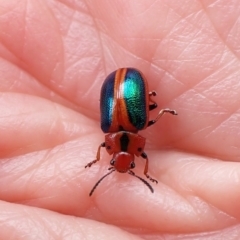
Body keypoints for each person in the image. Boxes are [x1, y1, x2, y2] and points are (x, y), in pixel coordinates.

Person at [0, 1, 239, 239]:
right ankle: (152, 105)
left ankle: (152, 105)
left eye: (113, 161)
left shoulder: (128, 127)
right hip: (128, 84)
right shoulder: (116, 129)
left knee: (154, 111)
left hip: (125, 84)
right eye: (131, 164)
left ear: (111, 155)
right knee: (154, 110)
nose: (123, 162)